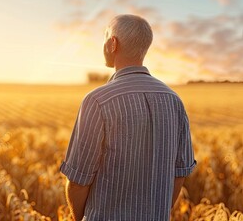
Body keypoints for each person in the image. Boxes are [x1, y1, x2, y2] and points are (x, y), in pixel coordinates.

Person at [59, 14, 197, 221]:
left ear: (112, 44)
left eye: (106, 37)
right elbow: (180, 172)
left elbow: (79, 180)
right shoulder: (174, 100)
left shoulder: (97, 100)